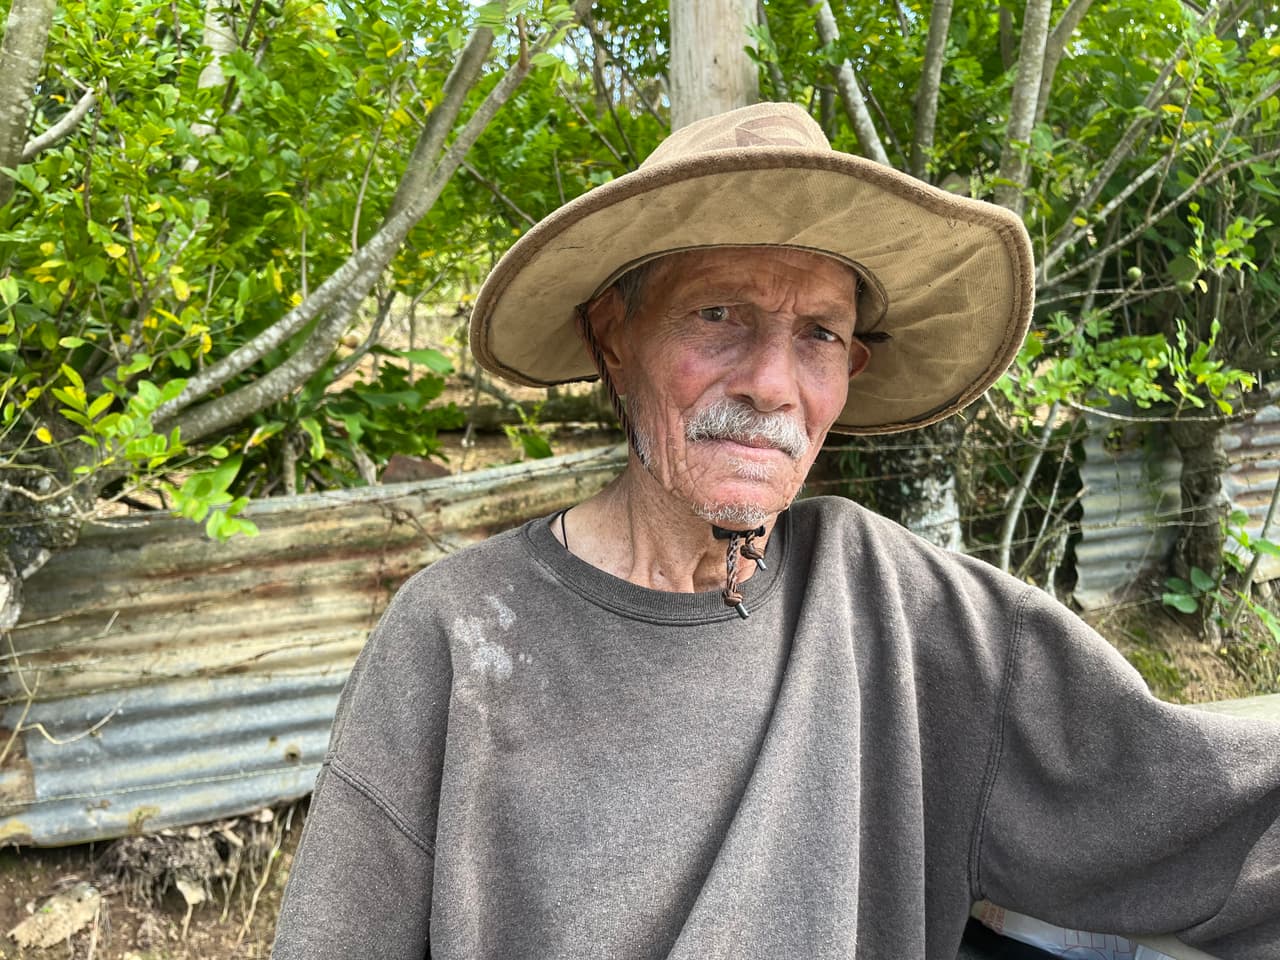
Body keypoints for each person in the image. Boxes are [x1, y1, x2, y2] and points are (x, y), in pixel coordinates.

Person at [271, 103, 1280, 960]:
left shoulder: (900, 610)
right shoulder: (453, 635)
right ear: (611, 337)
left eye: (819, 335)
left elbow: (1204, 816)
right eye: (717, 313)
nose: (769, 383)